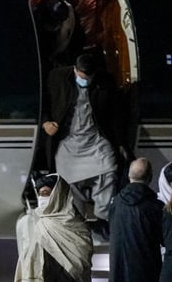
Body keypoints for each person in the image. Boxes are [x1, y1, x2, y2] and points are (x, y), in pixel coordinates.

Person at [40, 52, 135, 235]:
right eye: (81, 77)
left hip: (96, 139)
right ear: (75, 70)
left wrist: (121, 142)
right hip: (68, 139)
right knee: (68, 181)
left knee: (108, 169)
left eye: (88, 79)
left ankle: (103, 218)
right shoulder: (57, 77)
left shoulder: (105, 81)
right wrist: (46, 123)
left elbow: (116, 114)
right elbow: (43, 103)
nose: (84, 81)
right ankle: (76, 221)